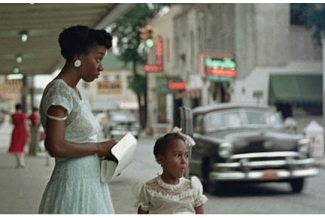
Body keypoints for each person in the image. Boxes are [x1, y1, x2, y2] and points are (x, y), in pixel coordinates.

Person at [38, 25, 117, 214]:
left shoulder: (75, 92)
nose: (101, 66)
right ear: (78, 56)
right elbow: (55, 146)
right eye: (97, 58)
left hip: (89, 182)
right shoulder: (60, 91)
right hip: (74, 184)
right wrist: (99, 147)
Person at [133, 127, 208, 214]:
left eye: (186, 155)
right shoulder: (150, 189)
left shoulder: (193, 188)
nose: (184, 161)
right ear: (161, 159)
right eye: (177, 155)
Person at [8, 103, 29, 168]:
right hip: (22, 131)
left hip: (16, 131)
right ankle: (22, 161)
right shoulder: (24, 115)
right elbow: (26, 124)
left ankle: (18, 162)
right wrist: (28, 133)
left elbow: (11, 123)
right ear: (21, 108)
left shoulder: (13, 115)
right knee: (22, 146)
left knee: (16, 147)